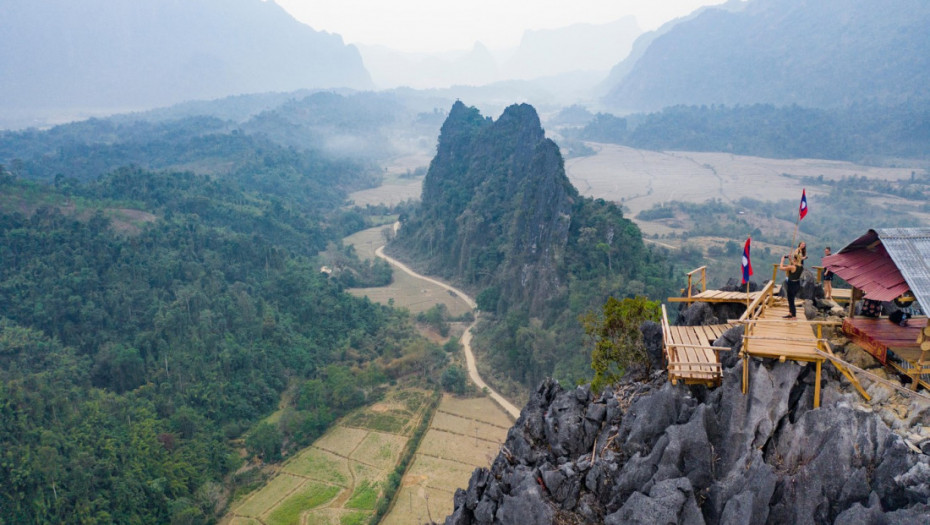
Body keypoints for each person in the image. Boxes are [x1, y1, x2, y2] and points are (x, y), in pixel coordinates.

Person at [779, 250, 804, 319]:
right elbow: (795, 264)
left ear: (795, 259)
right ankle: (790, 313)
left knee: (791, 300)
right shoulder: (801, 266)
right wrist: (790, 260)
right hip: (797, 284)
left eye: (793, 258)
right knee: (791, 299)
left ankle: (794, 315)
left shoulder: (792, 267)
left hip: (791, 284)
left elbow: (781, 268)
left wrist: (782, 261)